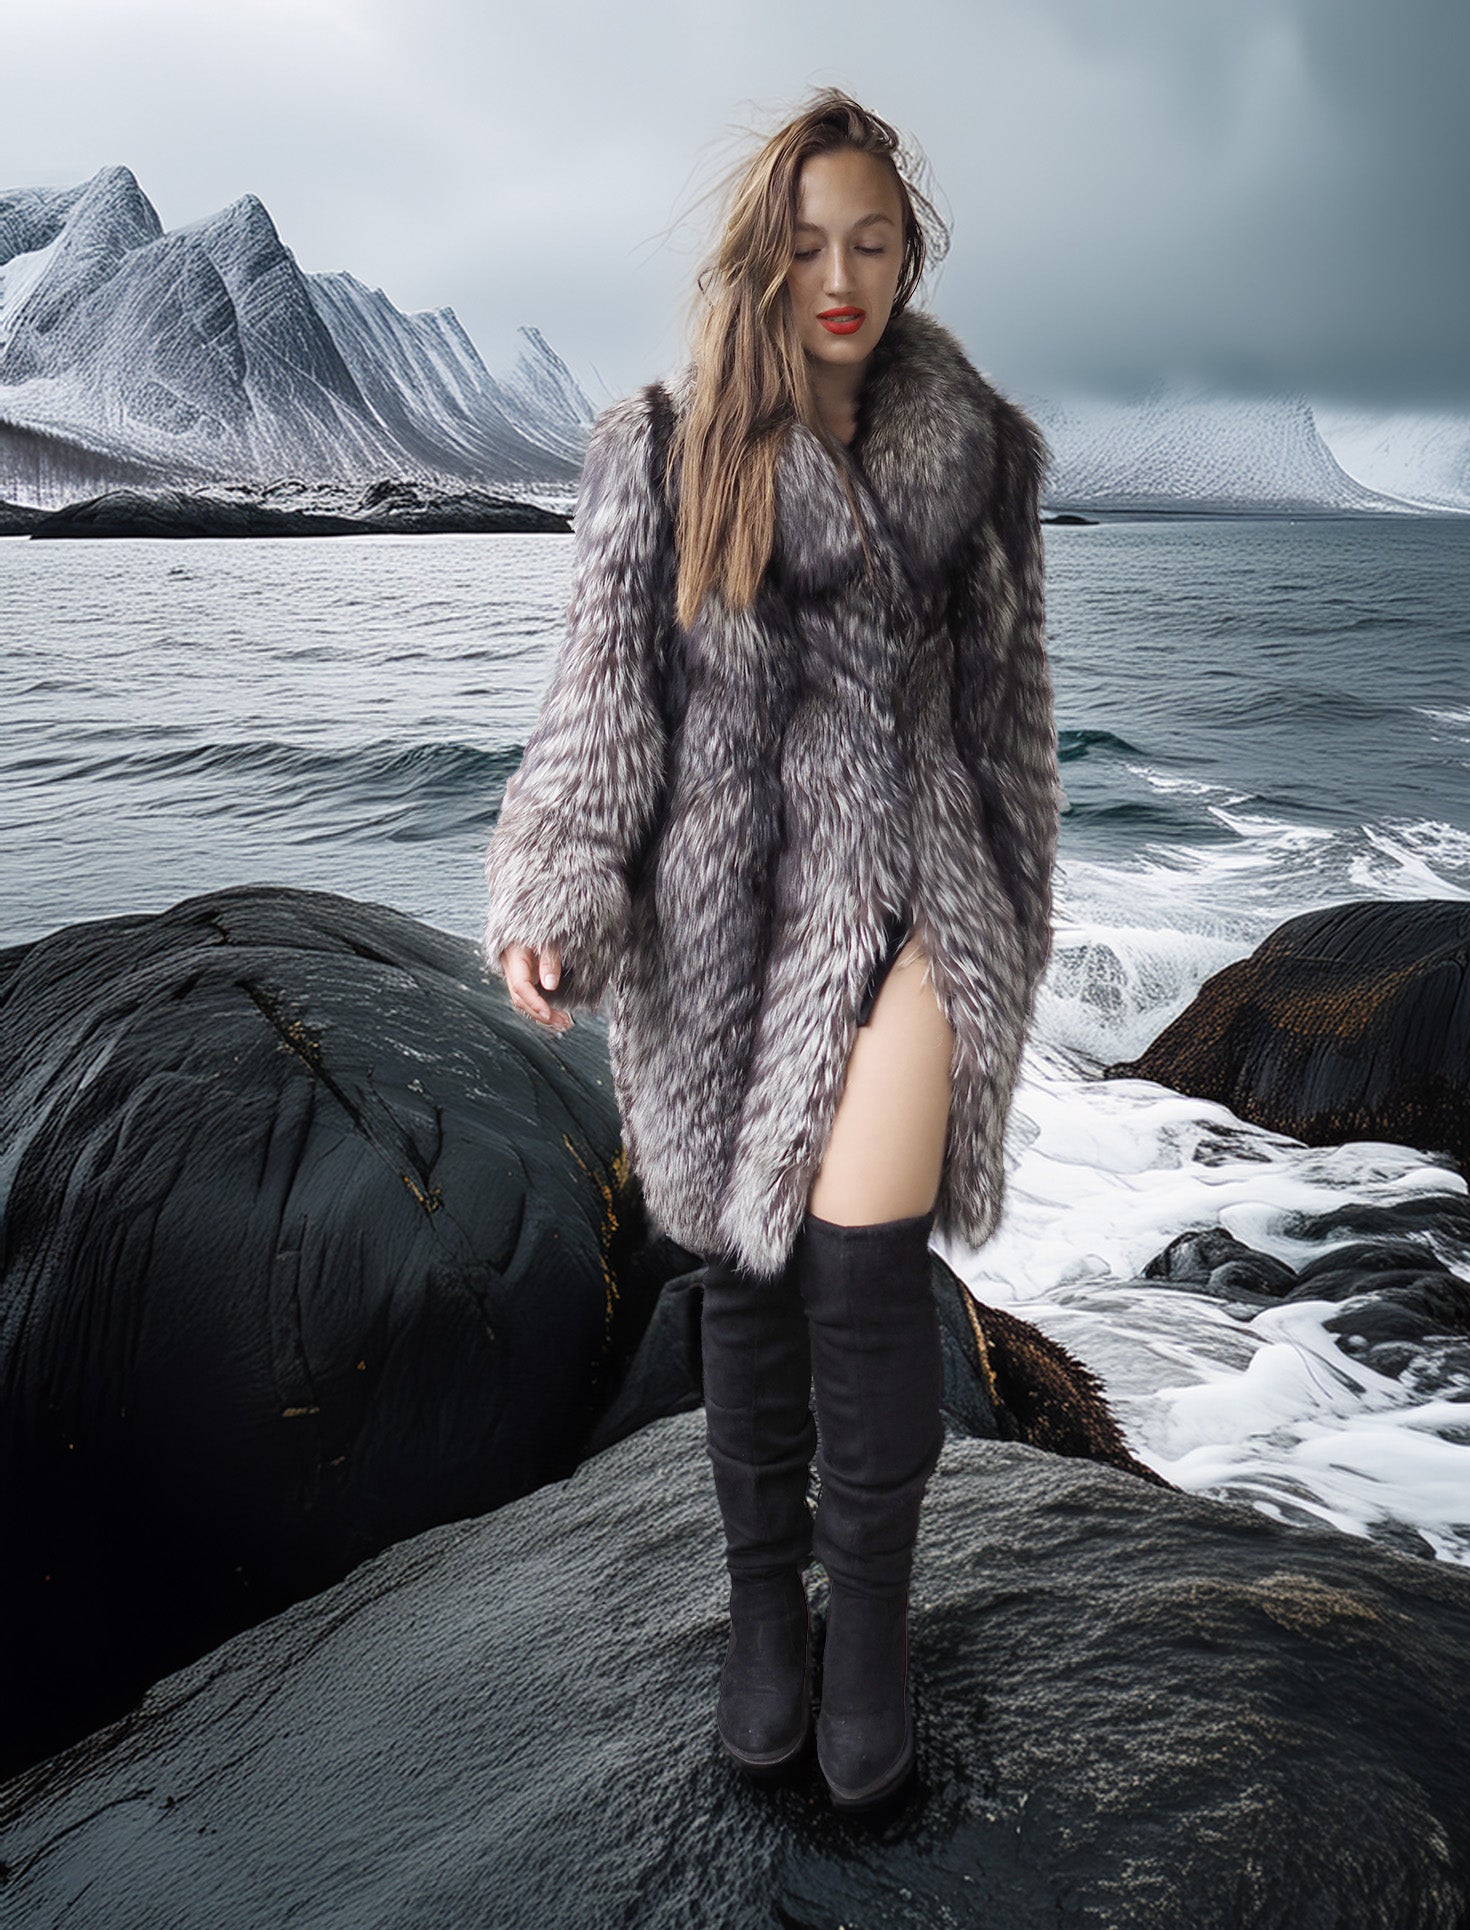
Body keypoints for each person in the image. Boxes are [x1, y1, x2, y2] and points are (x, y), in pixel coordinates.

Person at [483, 87, 1061, 1813]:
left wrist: (1009, 927)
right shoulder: (659, 450)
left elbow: (1012, 729)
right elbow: (600, 715)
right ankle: (761, 1609)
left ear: (910, 252)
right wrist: (561, 899)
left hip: (917, 910)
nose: (842, 273)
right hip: (720, 927)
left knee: (868, 1274)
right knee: (746, 1276)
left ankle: (867, 1630)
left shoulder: (989, 462)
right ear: (763, 253)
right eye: (808, 241)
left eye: (873, 241)